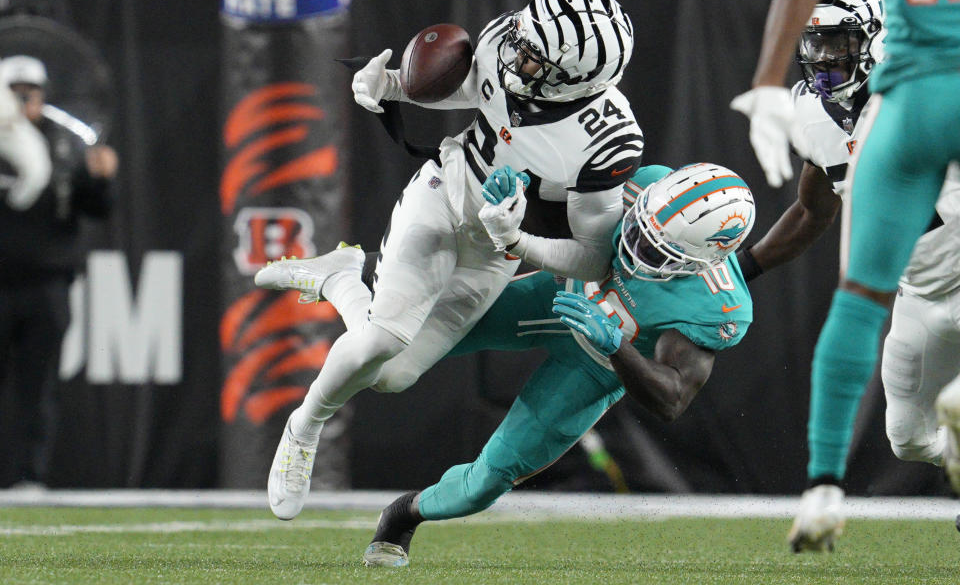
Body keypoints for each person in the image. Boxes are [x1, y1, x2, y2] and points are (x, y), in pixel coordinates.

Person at [257, 0, 645, 521]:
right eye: (522, 40)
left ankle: (342, 278)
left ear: (576, 79)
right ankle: (304, 426)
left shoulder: (604, 140)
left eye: (535, 57)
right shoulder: (509, 42)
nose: (516, 54)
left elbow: (594, 259)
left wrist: (516, 242)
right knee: (379, 341)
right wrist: (388, 85)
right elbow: (463, 87)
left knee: (394, 376)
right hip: (443, 194)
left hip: (498, 250)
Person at [259, 162, 755, 566]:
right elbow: (568, 205)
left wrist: (616, 347)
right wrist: (518, 193)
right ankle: (346, 275)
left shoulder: (715, 307)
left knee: (480, 488)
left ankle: (401, 517)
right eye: (639, 227)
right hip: (552, 294)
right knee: (390, 363)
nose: (633, 248)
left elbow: (670, 399)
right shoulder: (646, 185)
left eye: (654, 249)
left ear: (703, 259)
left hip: (594, 367)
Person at [730, 0, 960, 552]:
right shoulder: (815, 115)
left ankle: (823, 485)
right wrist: (742, 267)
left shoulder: (902, 95)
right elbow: (813, 210)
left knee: (857, 299)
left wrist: (764, 83)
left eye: (840, 41)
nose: (827, 56)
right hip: (920, 289)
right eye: (818, 42)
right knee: (907, 438)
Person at [0, 55, 118, 487]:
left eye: (33, 92)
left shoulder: (66, 143)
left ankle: (28, 476)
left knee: (37, 386)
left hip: (46, 285)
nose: (25, 100)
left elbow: (97, 208)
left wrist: (103, 179)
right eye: (15, 92)